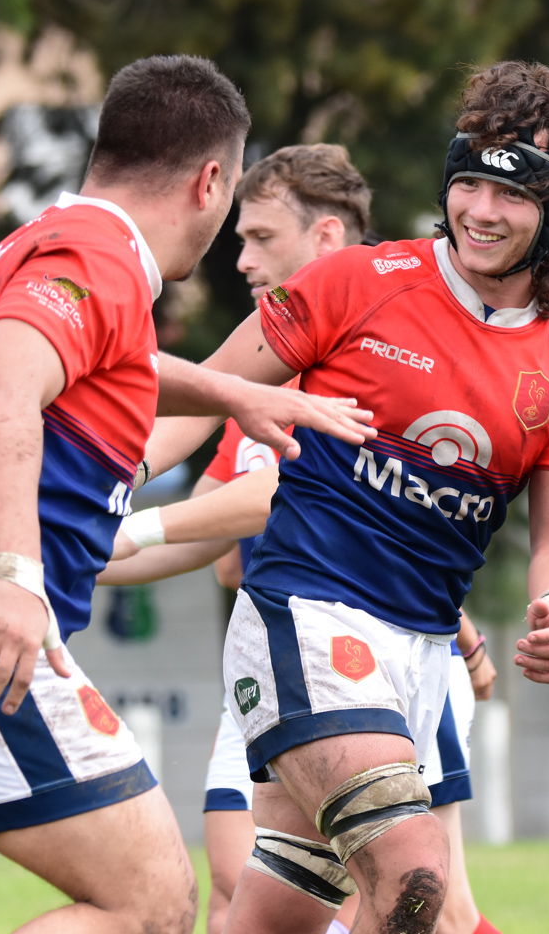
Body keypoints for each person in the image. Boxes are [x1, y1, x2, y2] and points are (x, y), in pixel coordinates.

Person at [0, 54, 379, 934]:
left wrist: (237, 394)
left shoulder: (44, 247)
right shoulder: (98, 255)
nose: (228, 238)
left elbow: (113, 363)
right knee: (148, 904)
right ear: (209, 180)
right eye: (233, 215)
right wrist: (16, 576)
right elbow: (2, 390)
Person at [143, 60, 549, 934]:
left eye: (509, 196)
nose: (478, 210)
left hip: (421, 654)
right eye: (466, 182)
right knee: (414, 874)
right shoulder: (356, 282)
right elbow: (200, 395)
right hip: (308, 614)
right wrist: (78, 483)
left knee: (280, 902)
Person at [100, 143, 502, 934]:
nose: (241, 259)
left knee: (421, 896)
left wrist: (134, 519)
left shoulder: (381, 343)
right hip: (281, 644)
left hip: (373, 654)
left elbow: (277, 496)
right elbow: (213, 540)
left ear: (325, 239)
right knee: (238, 882)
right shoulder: (264, 368)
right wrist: (63, 554)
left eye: (260, 238)